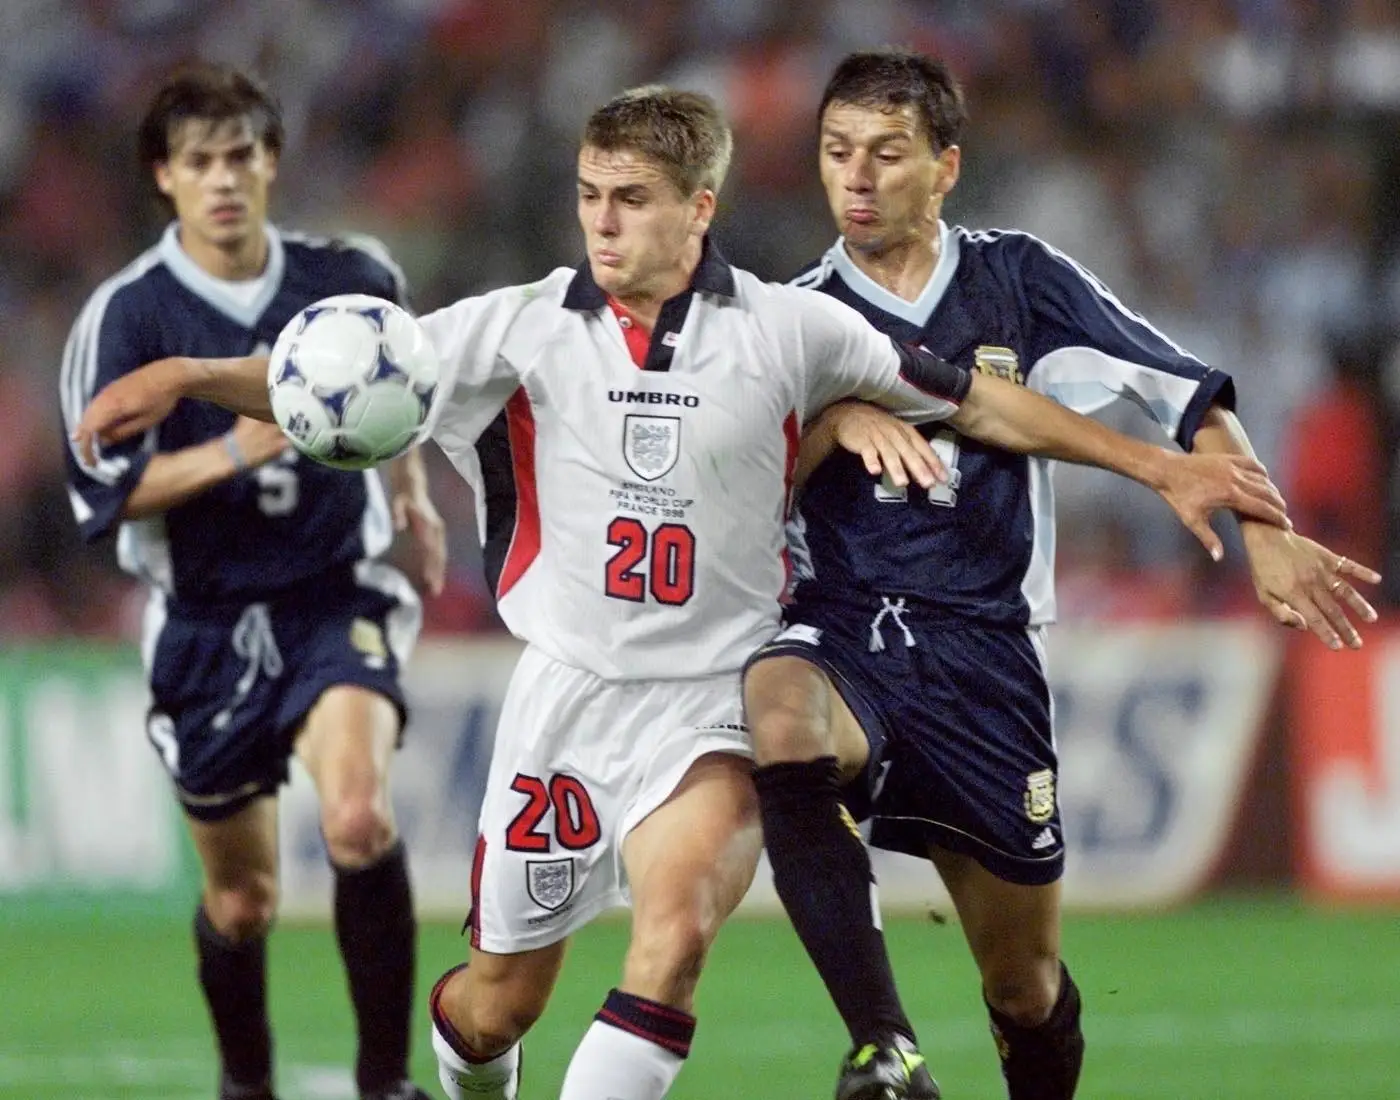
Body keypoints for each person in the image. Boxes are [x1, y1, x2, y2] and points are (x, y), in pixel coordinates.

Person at [72, 85, 1289, 1100]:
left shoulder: (787, 329)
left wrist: (1151, 462)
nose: (602, 223)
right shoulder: (519, 328)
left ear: (698, 207)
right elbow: (332, 376)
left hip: (711, 695)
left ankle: (871, 1037)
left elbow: (972, 398)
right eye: (590, 196)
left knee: (672, 945)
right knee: (496, 1005)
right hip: (564, 697)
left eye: (632, 200)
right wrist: (185, 370)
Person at [742, 48, 1383, 1100]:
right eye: (835, 152)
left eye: (885, 154)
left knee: (1023, 982)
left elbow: (1180, 395)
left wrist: (1262, 527)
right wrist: (824, 421)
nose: (854, 178)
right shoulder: (790, 316)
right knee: (779, 712)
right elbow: (739, 490)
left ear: (944, 167)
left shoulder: (1015, 280)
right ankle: (883, 1046)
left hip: (984, 653)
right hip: (845, 625)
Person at [59, 63, 447, 1100]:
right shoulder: (126, 316)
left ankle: (384, 1081)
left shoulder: (352, 272)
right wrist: (238, 451)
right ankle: (246, 1079)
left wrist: (412, 490)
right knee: (241, 903)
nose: (224, 178)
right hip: (205, 621)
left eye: (241, 155)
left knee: (359, 818)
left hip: (336, 588)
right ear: (164, 178)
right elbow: (98, 490)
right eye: (200, 162)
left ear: (271, 162)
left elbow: (398, 393)